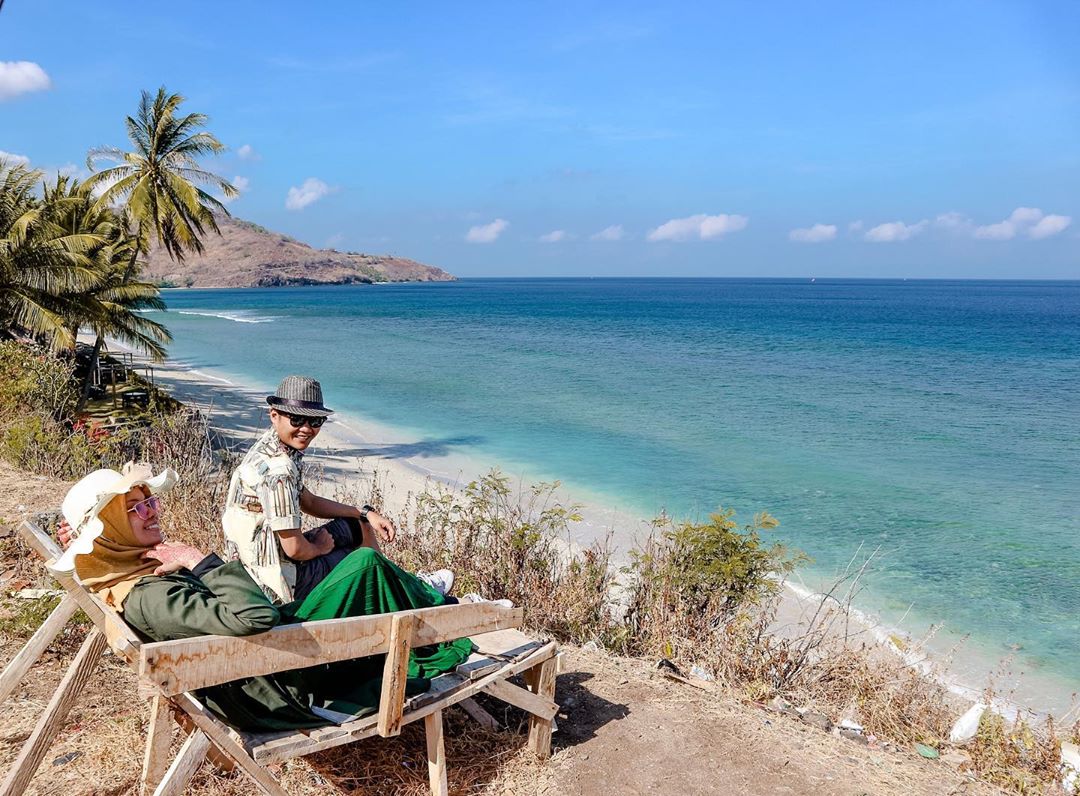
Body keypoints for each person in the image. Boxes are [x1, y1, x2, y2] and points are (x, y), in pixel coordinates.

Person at [53, 463, 474, 732]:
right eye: (136, 508)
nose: (153, 511)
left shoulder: (126, 573)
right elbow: (255, 617)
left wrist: (85, 541)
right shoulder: (148, 597)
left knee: (365, 568)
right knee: (367, 565)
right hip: (282, 680)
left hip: (264, 658)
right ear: (108, 531)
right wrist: (199, 561)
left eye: (150, 501)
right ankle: (457, 616)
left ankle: (437, 603)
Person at [222, 375, 452, 604]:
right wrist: (318, 548)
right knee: (366, 561)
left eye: (315, 422)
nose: (306, 429)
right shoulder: (279, 471)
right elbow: (295, 549)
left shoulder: (271, 447)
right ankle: (417, 593)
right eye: (296, 419)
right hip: (279, 580)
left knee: (357, 524)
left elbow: (308, 501)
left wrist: (364, 513)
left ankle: (403, 585)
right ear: (274, 415)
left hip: (251, 564)